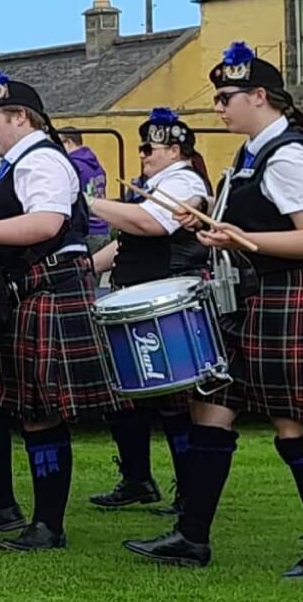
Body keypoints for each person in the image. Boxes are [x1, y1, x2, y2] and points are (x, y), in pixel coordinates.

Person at [125, 43, 303, 575]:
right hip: (246, 299)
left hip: (285, 295)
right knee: (211, 406)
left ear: (260, 96)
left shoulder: (288, 156)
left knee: (291, 422)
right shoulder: (252, 154)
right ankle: (191, 537)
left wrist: (240, 238)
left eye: (227, 97)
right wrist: (211, 222)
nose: (218, 106)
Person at [0, 72, 121, 551]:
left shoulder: (43, 161)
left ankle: (48, 525)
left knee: (40, 411)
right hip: (15, 294)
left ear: (21, 117)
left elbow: (46, 223)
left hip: (48, 289)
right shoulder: (12, 165)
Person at [85, 108, 212, 514]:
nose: (142, 154)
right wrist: (85, 268)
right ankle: (137, 479)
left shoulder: (184, 181)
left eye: (148, 148)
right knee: (125, 394)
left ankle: (189, 492)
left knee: (174, 399)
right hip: (138, 295)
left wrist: (88, 202)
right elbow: (128, 240)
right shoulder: (151, 184)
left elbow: (152, 224)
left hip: (166, 299)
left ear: (175, 150)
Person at [60, 128, 111, 252]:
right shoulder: (94, 163)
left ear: (69, 142)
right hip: (103, 227)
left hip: (86, 230)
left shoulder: (72, 166)